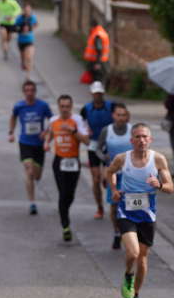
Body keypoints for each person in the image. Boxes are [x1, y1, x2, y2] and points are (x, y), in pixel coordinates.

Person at [104, 124, 174, 298]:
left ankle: (135, 296)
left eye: (144, 136)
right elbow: (109, 172)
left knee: (143, 258)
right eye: (137, 137)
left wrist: (158, 184)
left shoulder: (158, 159)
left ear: (150, 139)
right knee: (133, 253)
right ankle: (128, 275)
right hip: (126, 212)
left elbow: (170, 187)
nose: (141, 140)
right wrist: (114, 190)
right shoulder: (122, 159)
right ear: (131, 140)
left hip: (147, 215)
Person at [44, 95, 90, 242]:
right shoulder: (53, 121)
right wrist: (46, 142)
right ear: (58, 107)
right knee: (63, 193)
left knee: (70, 195)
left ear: (71, 107)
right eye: (62, 106)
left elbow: (87, 141)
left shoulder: (77, 120)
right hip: (59, 161)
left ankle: (64, 212)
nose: (64, 109)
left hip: (73, 161)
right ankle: (65, 225)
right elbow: (50, 133)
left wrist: (73, 131)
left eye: (67, 106)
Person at [9, 80, 53, 215]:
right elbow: (13, 117)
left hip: (39, 145)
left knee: (37, 174)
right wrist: (11, 132)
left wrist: (46, 133)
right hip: (25, 143)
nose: (29, 93)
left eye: (32, 90)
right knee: (29, 171)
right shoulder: (19, 106)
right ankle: (32, 203)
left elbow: (53, 121)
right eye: (27, 90)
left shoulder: (43, 106)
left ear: (35, 92)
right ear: (23, 92)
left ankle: (36, 178)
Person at [96, 103, 132, 249]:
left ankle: (129, 234)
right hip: (114, 175)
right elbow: (97, 148)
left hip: (131, 175)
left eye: (124, 115)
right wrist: (104, 158)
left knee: (131, 205)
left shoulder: (133, 130)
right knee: (114, 207)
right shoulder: (107, 130)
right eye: (118, 115)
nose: (121, 118)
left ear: (127, 116)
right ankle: (117, 233)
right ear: (113, 116)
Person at [79, 81, 113, 221]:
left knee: (106, 178)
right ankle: (99, 207)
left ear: (103, 93)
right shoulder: (86, 109)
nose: (97, 96)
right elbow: (80, 124)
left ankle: (108, 188)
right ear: (91, 94)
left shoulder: (111, 106)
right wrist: (85, 133)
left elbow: (120, 118)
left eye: (99, 93)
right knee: (96, 179)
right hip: (93, 146)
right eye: (95, 93)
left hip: (108, 145)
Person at [83, 20, 110, 85]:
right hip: (101, 60)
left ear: (92, 26)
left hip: (97, 61)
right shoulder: (101, 32)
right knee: (98, 79)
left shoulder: (97, 35)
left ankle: (98, 92)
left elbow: (99, 49)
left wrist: (97, 63)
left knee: (97, 79)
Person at [14, 3, 38, 76]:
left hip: (30, 41)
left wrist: (31, 29)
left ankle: (28, 76)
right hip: (21, 41)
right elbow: (15, 27)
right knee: (23, 58)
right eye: (26, 10)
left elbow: (36, 24)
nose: (27, 11)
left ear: (30, 10)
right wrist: (21, 31)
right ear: (23, 10)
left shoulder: (33, 17)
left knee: (29, 58)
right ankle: (23, 63)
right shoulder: (19, 18)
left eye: (29, 10)